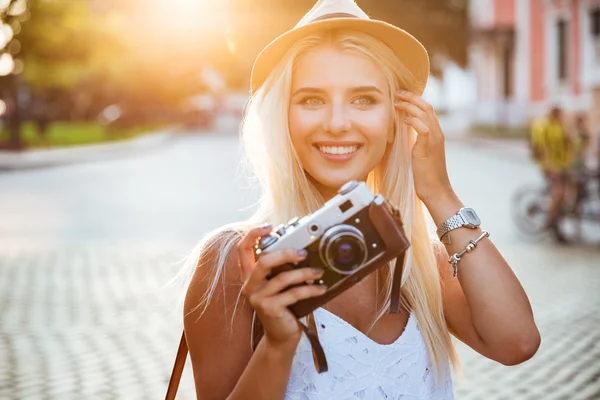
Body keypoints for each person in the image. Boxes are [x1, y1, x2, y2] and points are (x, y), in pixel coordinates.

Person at [180, 1, 541, 399]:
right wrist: (280, 344)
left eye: (364, 100)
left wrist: (439, 194)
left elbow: (517, 343)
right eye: (312, 100)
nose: (337, 123)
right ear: (282, 117)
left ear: (395, 121)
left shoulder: (419, 263)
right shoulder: (237, 262)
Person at [530, 106, 572, 242]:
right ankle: (550, 222)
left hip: (561, 167)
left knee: (567, 194)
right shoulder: (543, 125)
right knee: (559, 193)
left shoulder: (559, 126)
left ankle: (556, 220)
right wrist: (549, 166)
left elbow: (566, 146)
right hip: (549, 167)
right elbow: (540, 147)